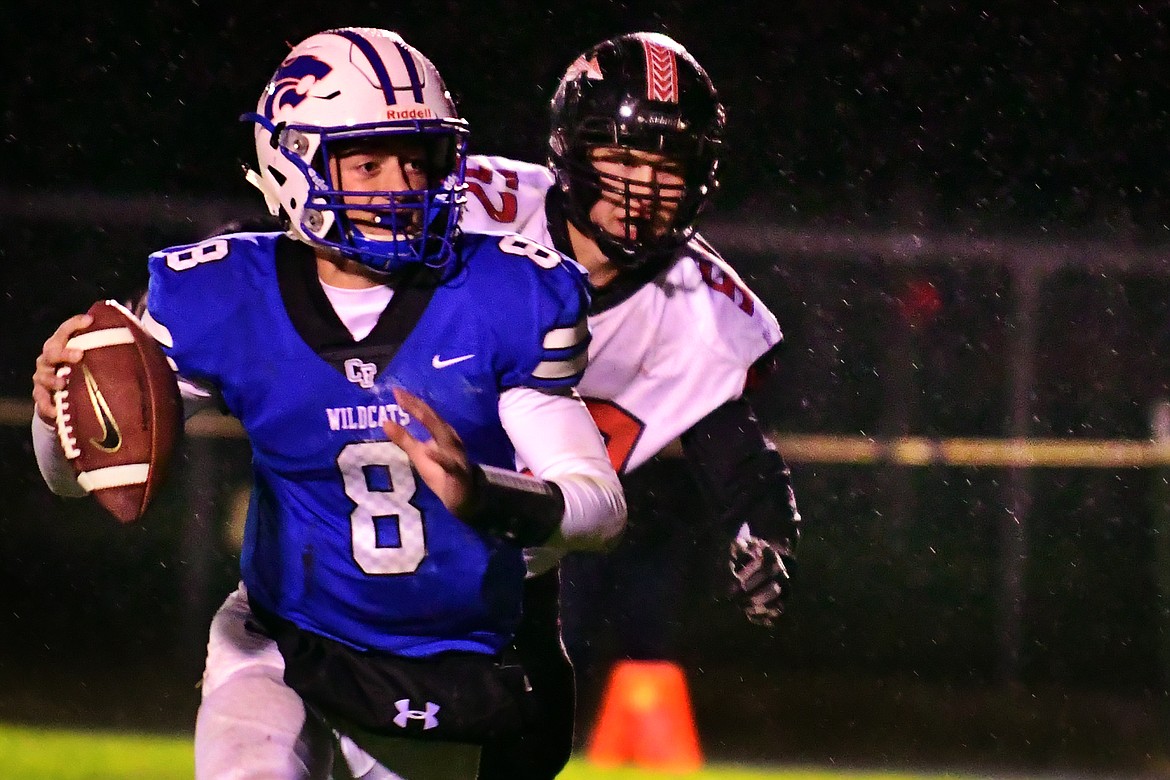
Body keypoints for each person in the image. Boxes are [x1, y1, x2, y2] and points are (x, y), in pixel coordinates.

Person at [31, 27, 626, 780]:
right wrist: (60, 413)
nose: (402, 184)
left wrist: (483, 494)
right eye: (369, 160)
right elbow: (79, 478)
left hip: (448, 662)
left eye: (419, 158)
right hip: (280, 640)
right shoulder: (219, 293)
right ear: (292, 161)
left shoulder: (505, 294)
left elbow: (600, 508)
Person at [461, 32, 802, 779]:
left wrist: (765, 529)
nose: (641, 188)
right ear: (569, 148)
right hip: (383, 548)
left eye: (665, 166)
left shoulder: (705, 311)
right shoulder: (475, 205)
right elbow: (319, 246)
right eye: (621, 159)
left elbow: (735, 450)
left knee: (530, 744)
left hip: (519, 582)